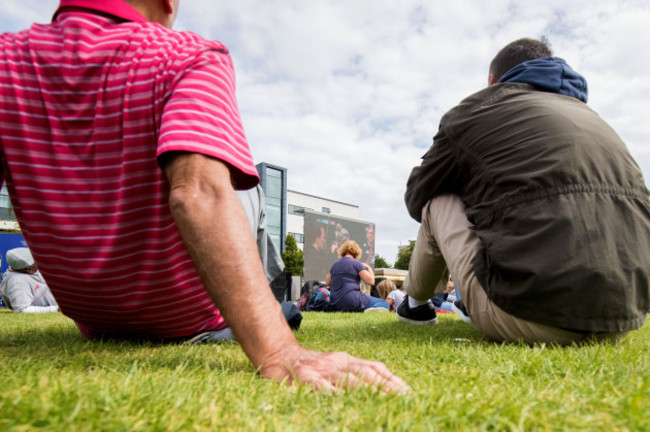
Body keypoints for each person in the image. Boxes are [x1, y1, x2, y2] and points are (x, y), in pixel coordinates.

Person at [0, 0, 408, 394]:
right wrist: (280, 350)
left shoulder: (8, 60)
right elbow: (199, 193)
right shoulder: (186, 56)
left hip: (97, 321)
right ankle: (263, 302)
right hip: (194, 320)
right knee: (246, 184)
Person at [398, 37, 650, 345]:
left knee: (438, 198)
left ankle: (416, 305)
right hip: (620, 320)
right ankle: (473, 296)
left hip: (529, 315)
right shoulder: (595, 120)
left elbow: (418, 197)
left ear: (493, 81)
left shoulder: (476, 110)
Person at [325, 241, 389, 312]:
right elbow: (371, 281)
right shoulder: (357, 264)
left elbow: (327, 282)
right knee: (384, 303)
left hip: (335, 303)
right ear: (356, 251)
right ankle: (368, 311)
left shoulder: (335, 264)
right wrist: (369, 268)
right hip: (352, 300)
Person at [0, 248, 58, 313]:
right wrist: (56, 309)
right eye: (35, 263)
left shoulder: (21, 268)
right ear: (29, 269)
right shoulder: (17, 282)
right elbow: (21, 309)